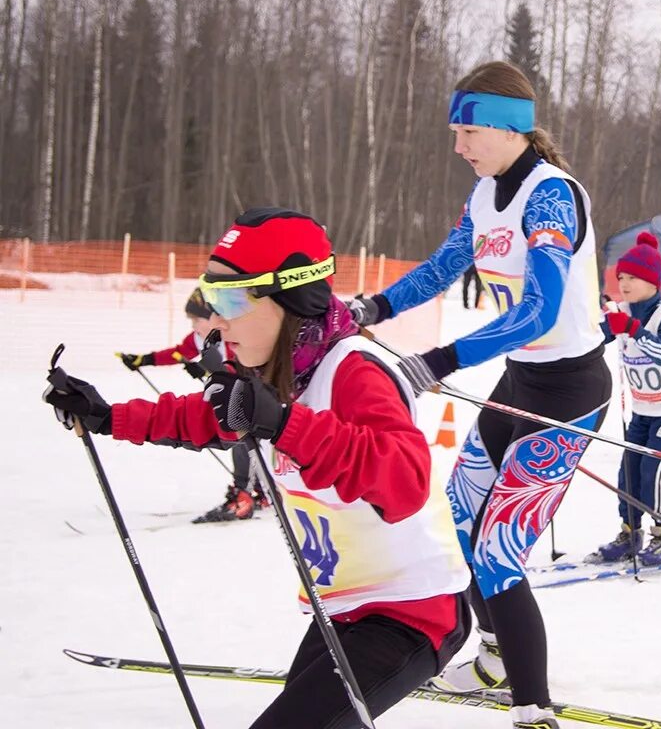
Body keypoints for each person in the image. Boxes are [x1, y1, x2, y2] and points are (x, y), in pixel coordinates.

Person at [44, 208, 471, 728]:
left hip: (412, 613)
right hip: (344, 608)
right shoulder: (281, 368)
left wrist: (286, 423)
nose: (216, 320)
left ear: (293, 298)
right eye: (210, 298)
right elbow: (206, 418)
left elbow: (404, 480)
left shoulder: (354, 370)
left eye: (229, 299)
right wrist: (108, 416)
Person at [344, 61, 611, 729]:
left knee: (498, 554)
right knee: (460, 521)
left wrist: (437, 361)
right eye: (456, 131)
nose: (459, 145)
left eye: (468, 130)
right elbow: (442, 268)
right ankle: (493, 658)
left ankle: (531, 708)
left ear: (506, 127)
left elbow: (541, 312)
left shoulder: (551, 196)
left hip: (569, 391)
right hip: (519, 381)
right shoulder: (487, 196)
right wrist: (370, 308)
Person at [590, 234, 661, 566]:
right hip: (642, 407)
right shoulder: (621, 311)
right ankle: (629, 531)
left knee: (655, 473)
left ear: (652, 281)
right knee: (629, 474)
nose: (624, 283)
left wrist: (632, 328)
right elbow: (593, 339)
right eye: (620, 277)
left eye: (632, 277)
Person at [118, 289, 262, 522]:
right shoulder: (198, 338)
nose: (194, 325)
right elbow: (178, 353)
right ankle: (257, 491)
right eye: (192, 320)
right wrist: (143, 359)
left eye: (198, 319)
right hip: (233, 400)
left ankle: (246, 495)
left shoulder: (235, 337)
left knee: (244, 438)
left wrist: (208, 370)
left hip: (254, 399)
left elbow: (244, 375)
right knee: (240, 439)